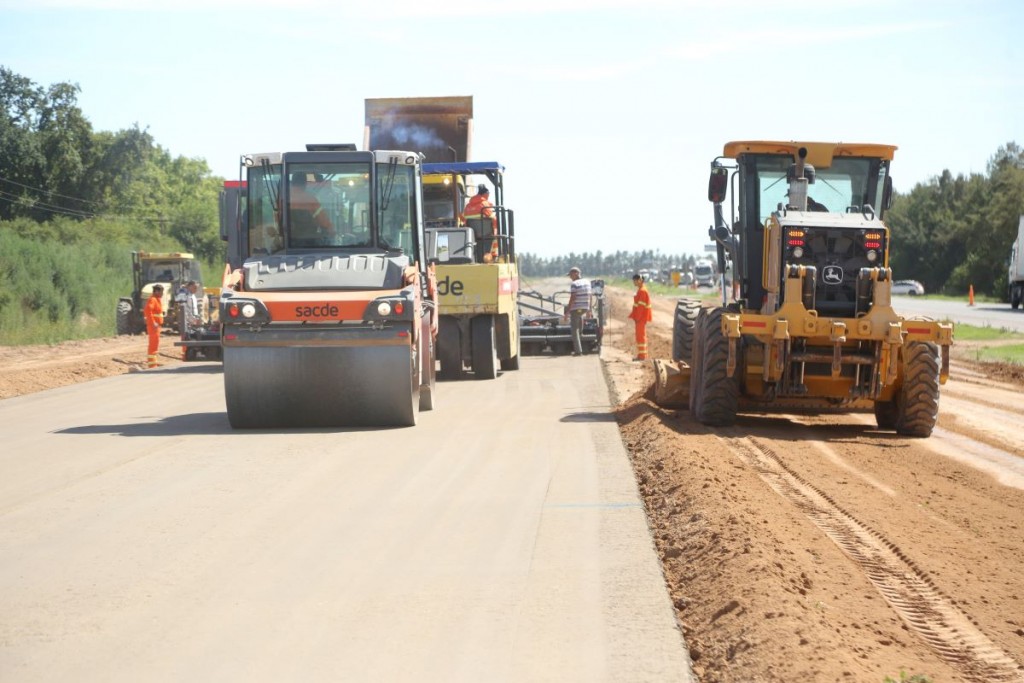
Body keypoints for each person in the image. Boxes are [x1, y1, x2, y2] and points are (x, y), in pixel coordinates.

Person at [288, 172, 334, 244]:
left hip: (288, 242)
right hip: (309, 243)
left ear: (292, 182)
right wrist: (331, 230)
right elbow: (324, 222)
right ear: (305, 183)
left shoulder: (283, 199)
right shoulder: (310, 200)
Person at [463, 183, 498, 262]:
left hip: (472, 238)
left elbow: (464, 221)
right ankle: (493, 256)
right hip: (486, 236)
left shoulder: (468, 207)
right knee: (497, 235)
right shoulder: (484, 205)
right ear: (485, 194)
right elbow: (494, 219)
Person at [564, 266, 591, 356]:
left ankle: (578, 351)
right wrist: (589, 310)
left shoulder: (574, 284)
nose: (570, 277)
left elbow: (573, 298)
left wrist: (567, 311)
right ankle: (581, 336)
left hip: (576, 308)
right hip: (584, 307)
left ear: (576, 273)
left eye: (571, 275)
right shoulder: (587, 282)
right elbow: (590, 296)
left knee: (574, 330)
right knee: (579, 322)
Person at [629, 273, 653, 361]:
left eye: (635, 281)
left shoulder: (642, 291)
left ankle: (642, 356)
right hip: (641, 318)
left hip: (640, 318)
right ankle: (643, 355)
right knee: (641, 336)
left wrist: (637, 318)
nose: (634, 282)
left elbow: (640, 307)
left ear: (640, 280)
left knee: (640, 336)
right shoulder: (641, 290)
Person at [144, 284, 165, 369]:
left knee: (155, 345)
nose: (162, 294)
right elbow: (148, 311)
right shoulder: (153, 299)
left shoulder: (157, 299)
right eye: (161, 292)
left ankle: (153, 363)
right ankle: (152, 365)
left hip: (156, 326)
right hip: (154, 327)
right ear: (156, 291)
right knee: (153, 345)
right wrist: (153, 323)